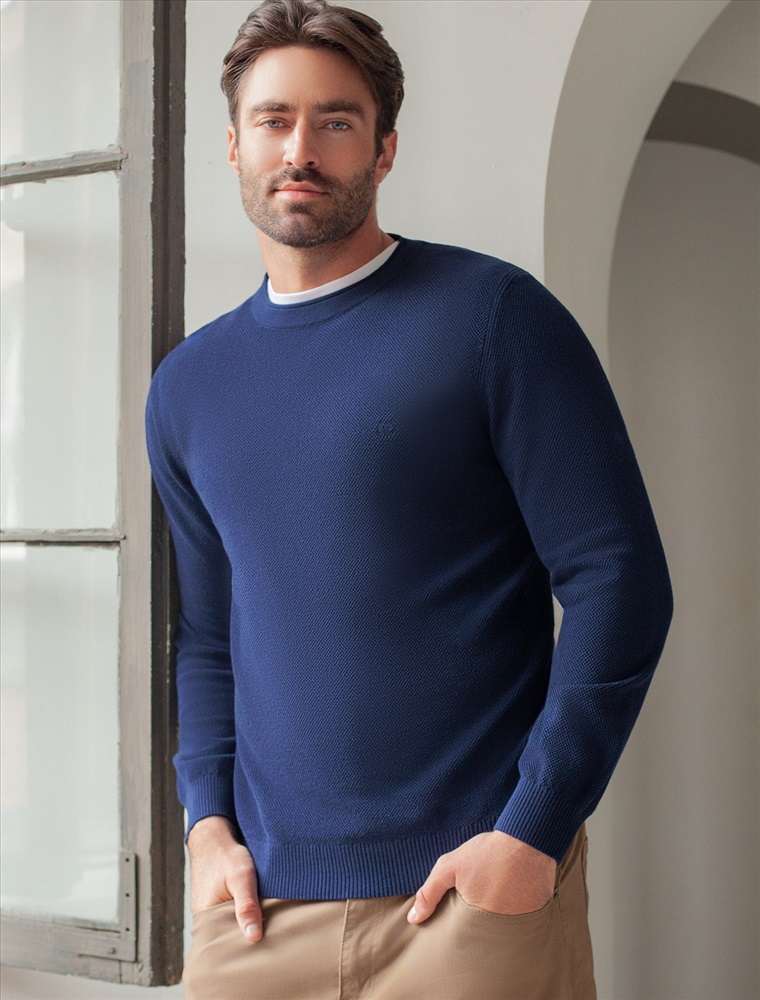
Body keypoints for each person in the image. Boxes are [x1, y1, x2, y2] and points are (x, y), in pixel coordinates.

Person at [145, 2, 673, 997]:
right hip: (256, 915)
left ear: (385, 149)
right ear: (233, 145)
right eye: (273, 120)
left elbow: (620, 579)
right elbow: (207, 635)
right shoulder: (187, 387)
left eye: (336, 121)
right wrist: (206, 822)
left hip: (471, 901)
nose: (300, 149)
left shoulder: (494, 319)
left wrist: (534, 830)